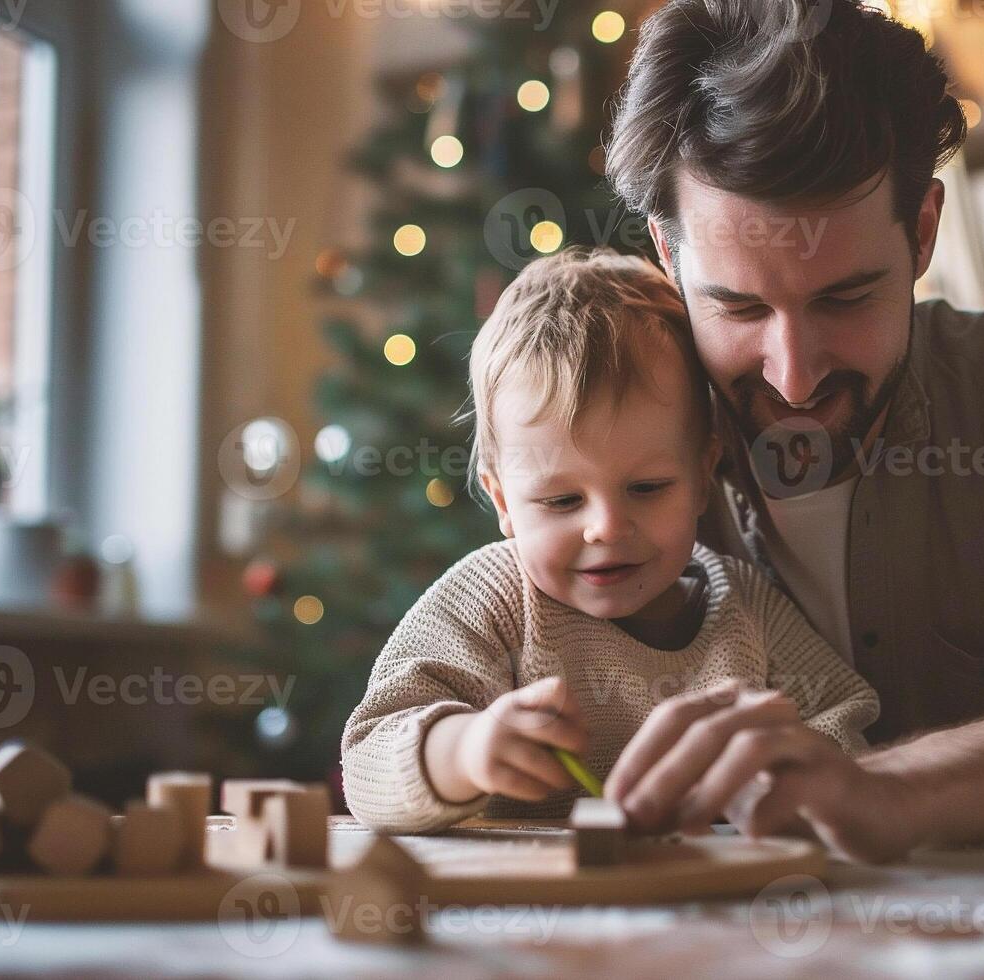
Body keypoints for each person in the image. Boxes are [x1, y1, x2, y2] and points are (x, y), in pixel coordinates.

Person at [597, 0, 984, 861]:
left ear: (924, 230)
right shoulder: (598, 431)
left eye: (845, 298)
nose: (793, 375)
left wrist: (878, 793)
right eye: (739, 306)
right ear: (669, 259)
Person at [339, 247, 879, 831]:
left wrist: (778, 771)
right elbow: (368, 759)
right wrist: (463, 751)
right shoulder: (491, 601)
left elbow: (846, 728)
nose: (607, 528)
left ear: (702, 478)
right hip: (528, 913)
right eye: (561, 501)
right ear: (504, 503)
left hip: (707, 907)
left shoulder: (743, 607)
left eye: (647, 488)